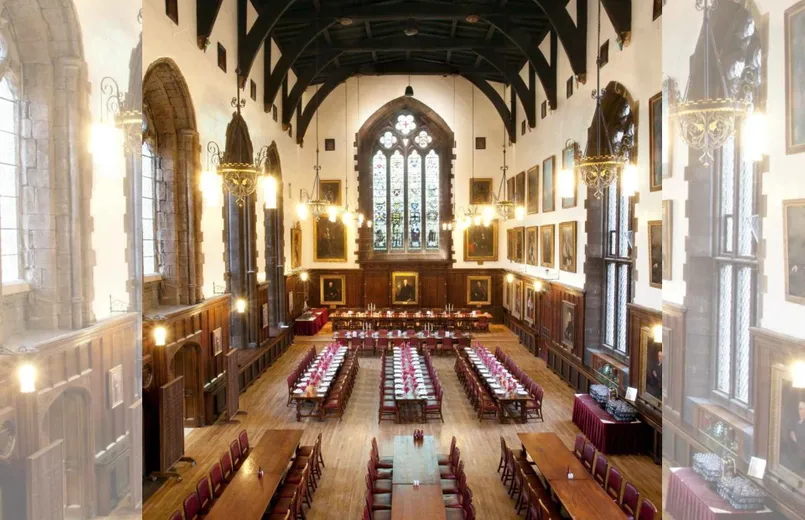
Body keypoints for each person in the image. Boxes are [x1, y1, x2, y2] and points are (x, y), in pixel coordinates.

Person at [786, 400, 805, 473]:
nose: (802, 412)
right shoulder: (794, 422)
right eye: (800, 409)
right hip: (795, 457)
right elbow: (792, 436)